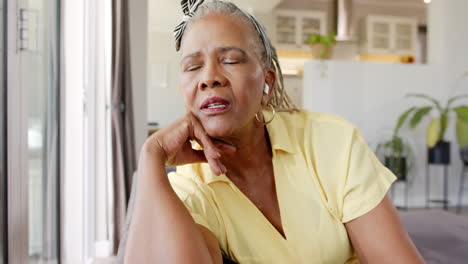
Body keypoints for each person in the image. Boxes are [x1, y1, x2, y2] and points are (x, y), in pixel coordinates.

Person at [124, 0, 424, 263]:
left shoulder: (331, 141)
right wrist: (151, 156)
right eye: (192, 67)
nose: (209, 78)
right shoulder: (189, 189)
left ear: (267, 83)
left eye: (230, 60)